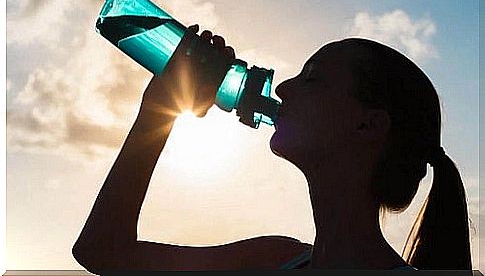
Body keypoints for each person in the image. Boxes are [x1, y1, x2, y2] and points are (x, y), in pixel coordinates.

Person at [72, 25, 472, 272]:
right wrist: (160, 110)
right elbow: (102, 252)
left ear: (367, 123)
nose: (282, 88)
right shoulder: (273, 260)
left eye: (312, 78)